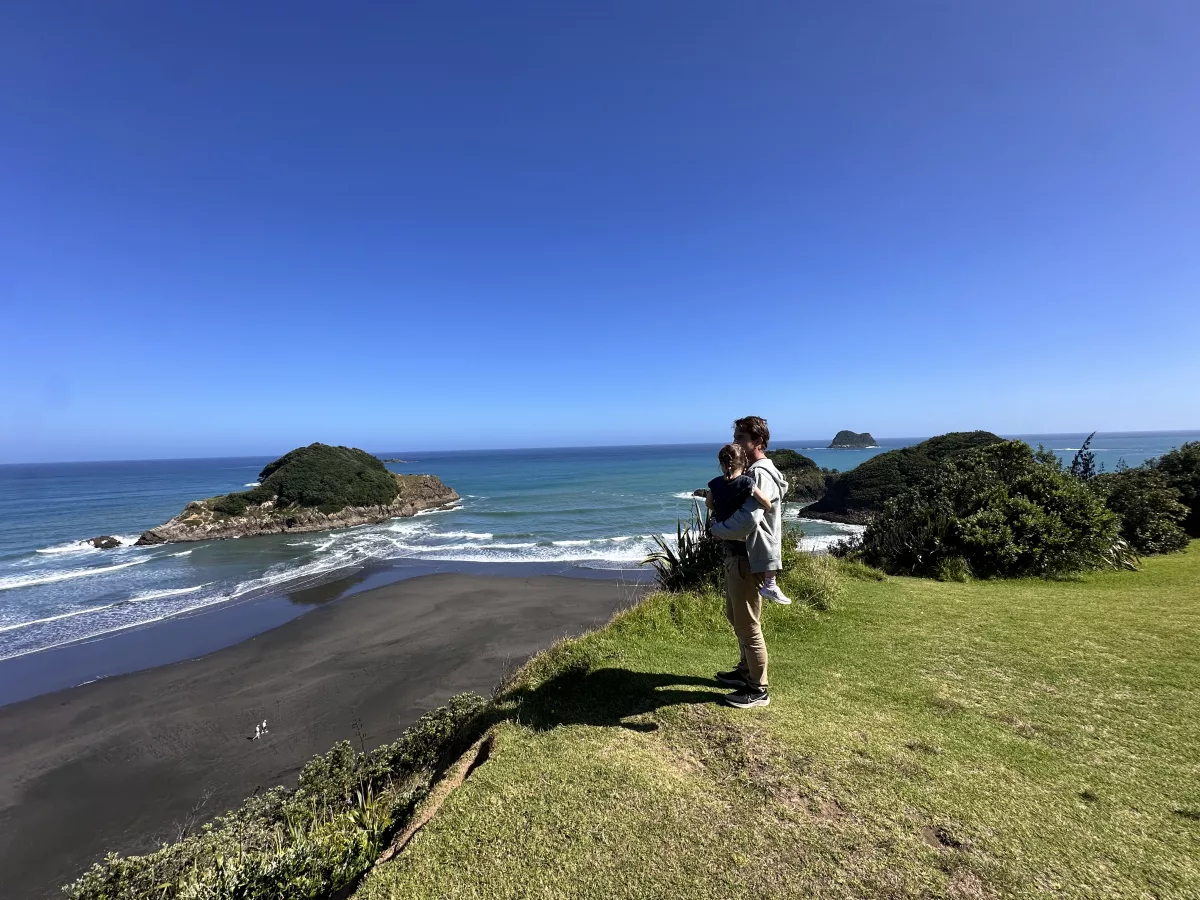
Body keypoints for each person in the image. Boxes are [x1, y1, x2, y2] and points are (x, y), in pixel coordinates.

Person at [709, 416, 790, 709]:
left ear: (758, 442)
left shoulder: (758, 475)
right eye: (735, 437)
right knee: (736, 617)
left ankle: (758, 689)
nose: (735, 443)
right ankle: (745, 671)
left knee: (747, 625)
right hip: (740, 557)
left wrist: (716, 529)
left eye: (741, 438)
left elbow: (747, 520)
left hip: (747, 558)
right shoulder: (751, 472)